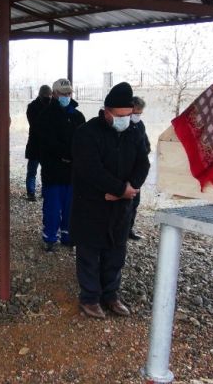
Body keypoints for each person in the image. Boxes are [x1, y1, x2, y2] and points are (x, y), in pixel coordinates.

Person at [71, 82, 150, 319]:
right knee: (90, 254)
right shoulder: (86, 133)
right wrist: (118, 188)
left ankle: (111, 295)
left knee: (116, 253)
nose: (125, 120)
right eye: (120, 116)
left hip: (120, 205)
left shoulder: (133, 132)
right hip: (92, 204)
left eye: (129, 115)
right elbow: (90, 169)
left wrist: (131, 187)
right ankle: (90, 298)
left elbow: (143, 163)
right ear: (107, 112)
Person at [35, 79, 85, 252]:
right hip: (53, 170)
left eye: (69, 93)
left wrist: (76, 157)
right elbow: (47, 143)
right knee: (53, 206)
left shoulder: (78, 116)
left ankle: (68, 235)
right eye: (63, 93)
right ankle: (50, 237)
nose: (67, 96)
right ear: (54, 94)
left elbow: (83, 140)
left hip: (72, 170)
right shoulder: (45, 115)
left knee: (71, 205)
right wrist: (67, 155)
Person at [129, 96, 151, 241]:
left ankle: (128, 229)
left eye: (140, 114)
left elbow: (147, 145)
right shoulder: (122, 125)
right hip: (123, 171)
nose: (137, 116)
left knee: (134, 203)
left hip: (136, 173)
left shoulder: (140, 125)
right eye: (136, 113)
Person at [24, 84, 51, 202]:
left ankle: (42, 192)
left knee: (45, 170)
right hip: (36, 144)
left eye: (49, 95)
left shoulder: (50, 105)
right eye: (46, 95)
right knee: (33, 171)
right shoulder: (33, 107)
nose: (48, 97)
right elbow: (35, 125)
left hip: (43, 144)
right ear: (40, 95)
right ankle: (31, 192)